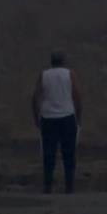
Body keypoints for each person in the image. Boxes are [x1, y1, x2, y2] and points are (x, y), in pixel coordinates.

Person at [31, 50, 82, 194]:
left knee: (48, 154)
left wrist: (36, 117)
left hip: (48, 118)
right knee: (69, 153)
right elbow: (78, 96)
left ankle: (48, 186)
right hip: (67, 116)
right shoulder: (70, 74)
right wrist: (78, 117)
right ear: (64, 61)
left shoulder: (44, 75)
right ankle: (69, 186)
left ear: (51, 61)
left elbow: (35, 98)